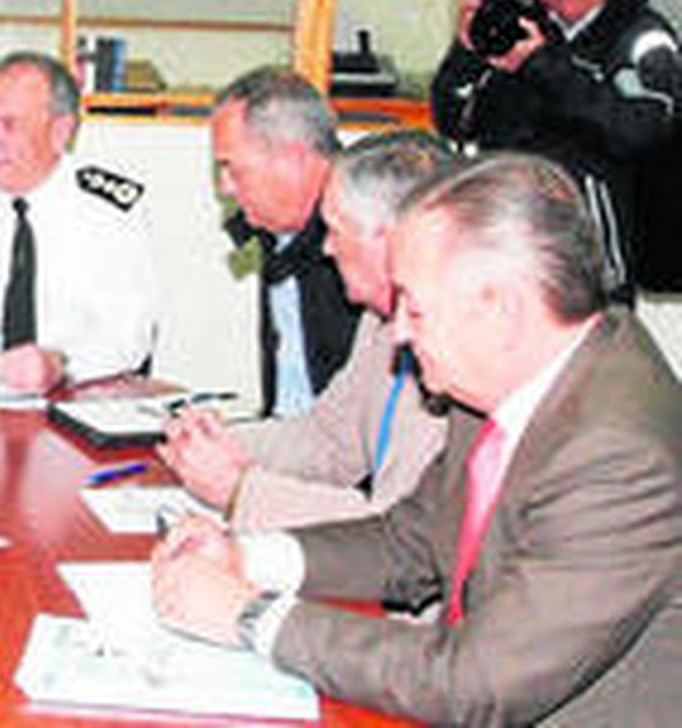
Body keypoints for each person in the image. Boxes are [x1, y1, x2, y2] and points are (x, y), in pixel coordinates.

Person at [151, 153, 682, 725]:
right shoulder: (503, 381)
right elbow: (411, 540)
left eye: (418, 309)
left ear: (500, 310)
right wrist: (250, 557)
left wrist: (250, 616)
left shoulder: (619, 459)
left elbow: (475, 684)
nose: (398, 331)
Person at [161, 131, 453, 531]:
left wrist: (241, 491)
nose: (327, 249)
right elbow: (328, 440)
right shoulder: (380, 322)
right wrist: (217, 445)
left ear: (389, 239)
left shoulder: (457, 353)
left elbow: (406, 538)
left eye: (336, 230)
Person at [431, 0, 682, 300]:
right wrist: (465, 53)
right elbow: (453, 120)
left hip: (591, 269)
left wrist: (542, 65)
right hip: (505, 248)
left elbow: (640, 131)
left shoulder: (643, 38)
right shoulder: (525, 26)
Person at [0, 52, 158, 394]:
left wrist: (62, 363)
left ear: (60, 131)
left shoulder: (109, 212)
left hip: (71, 401)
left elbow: (129, 335)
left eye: (9, 125)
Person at [211, 66, 357, 416]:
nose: (224, 187)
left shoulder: (366, 240)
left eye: (234, 168)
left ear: (293, 160)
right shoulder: (277, 231)